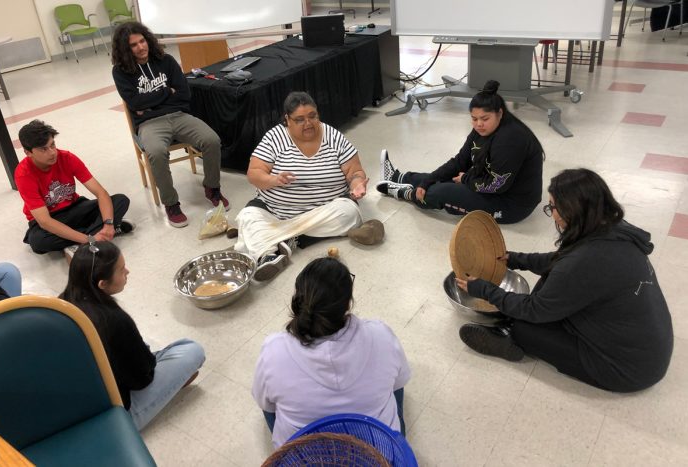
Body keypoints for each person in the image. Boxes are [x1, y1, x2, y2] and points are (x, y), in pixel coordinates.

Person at [457, 168, 673, 393]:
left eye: (553, 207)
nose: (552, 214)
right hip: (646, 346)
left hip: (626, 369)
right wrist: (516, 259)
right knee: (551, 282)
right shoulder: (611, 228)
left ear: (572, 211)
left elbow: (535, 308)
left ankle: (510, 336)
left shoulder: (584, 261)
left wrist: (484, 289)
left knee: (523, 326)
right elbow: (562, 262)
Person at [252, 257, 411, 447]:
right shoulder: (381, 335)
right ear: (347, 303)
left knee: (268, 403)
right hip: (378, 452)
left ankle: (284, 449)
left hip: (306, 457)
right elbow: (399, 381)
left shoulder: (273, 350)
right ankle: (397, 439)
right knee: (396, 385)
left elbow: (265, 403)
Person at [236, 91, 384, 281]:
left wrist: (357, 185)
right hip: (276, 210)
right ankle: (273, 252)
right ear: (287, 119)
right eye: (299, 119)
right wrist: (273, 180)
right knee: (248, 217)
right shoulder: (274, 138)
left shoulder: (333, 136)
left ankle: (277, 244)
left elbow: (355, 171)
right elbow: (254, 173)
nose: (308, 124)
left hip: (324, 210)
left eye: (312, 116)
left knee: (348, 212)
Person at [60, 241, 205, 429]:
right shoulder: (112, 320)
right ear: (102, 284)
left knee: (148, 352)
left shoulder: (61, 305)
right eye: (121, 270)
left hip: (76, 406)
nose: (127, 272)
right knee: (191, 350)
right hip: (114, 419)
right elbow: (142, 379)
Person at [111, 21, 229, 228]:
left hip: (178, 115)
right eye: (133, 45)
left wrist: (150, 102)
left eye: (142, 41)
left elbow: (184, 94)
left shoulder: (166, 60)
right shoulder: (120, 72)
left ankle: (212, 188)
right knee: (155, 152)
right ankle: (171, 203)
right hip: (148, 123)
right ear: (125, 49)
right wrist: (167, 92)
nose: (141, 47)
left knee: (212, 140)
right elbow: (135, 104)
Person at [376, 80, 544, 224]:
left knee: (439, 192)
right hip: (488, 184)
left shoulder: (510, 140)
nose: (478, 124)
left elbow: (496, 185)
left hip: (512, 204)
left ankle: (403, 192)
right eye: (474, 118)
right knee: (437, 181)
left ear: (500, 113)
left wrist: (465, 179)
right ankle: (398, 177)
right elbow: (459, 161)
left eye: (485, 119)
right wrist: (428, 180)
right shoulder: (482, 129)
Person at [15, 120, 133, 257]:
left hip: (75, 207)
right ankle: (96, 235)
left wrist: (108, 223)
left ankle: (86, 239)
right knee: (38, 241)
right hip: (50, 218)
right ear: (28, 152)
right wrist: (89, 239)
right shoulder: (23, 174)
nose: (52, 152)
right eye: (43, 149)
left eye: (52, 145)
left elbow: (101, 193)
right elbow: (45, 221)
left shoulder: (67, 158)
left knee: (120, 200)